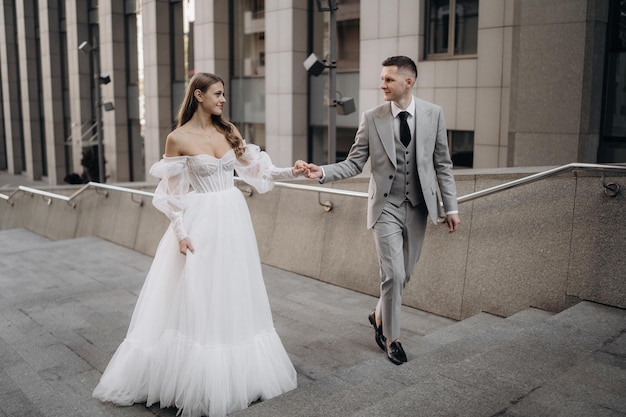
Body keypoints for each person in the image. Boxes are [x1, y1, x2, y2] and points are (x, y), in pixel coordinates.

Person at [93, 72, 305, 417]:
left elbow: (256, 171)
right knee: (201, 294)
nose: (223, 100)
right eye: (217, 94)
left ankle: (240, 373)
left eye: (223, 94)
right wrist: (180, 233)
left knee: (234, 290)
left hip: (233, 218)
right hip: (200, 221)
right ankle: (200, 375)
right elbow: (170, 194)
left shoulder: (228, 130)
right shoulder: (177, 139)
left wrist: (293, 171)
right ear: (199, 95)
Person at [304, 56, 460, 365]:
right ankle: (393, 338)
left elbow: (442, 164)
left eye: (388, 79)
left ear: (408, 82)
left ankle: (378, 314)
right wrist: (321, 171)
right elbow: (353, 162)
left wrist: (451, 206)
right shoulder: (372, 117)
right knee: (393, 273)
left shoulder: (433, 114)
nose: (382, 84)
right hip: (385, 206)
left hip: (419, 207)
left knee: (405, 275)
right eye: (382, 78)